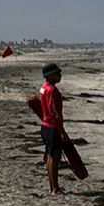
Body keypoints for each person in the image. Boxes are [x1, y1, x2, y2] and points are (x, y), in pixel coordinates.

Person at [38, 61, 70, 197]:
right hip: (52, 127)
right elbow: (53, 112)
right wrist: (61, 131)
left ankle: (52, 187)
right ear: (50, 76)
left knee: (50, 157)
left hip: (46, 126)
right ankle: (54, 188)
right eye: (57, 73)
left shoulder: (44, 87)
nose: (60, 75)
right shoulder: (51, 90)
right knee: (53, 157)